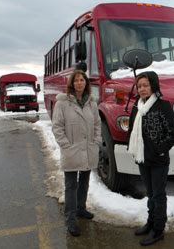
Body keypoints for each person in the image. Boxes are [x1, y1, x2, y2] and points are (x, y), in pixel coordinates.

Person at [127, 71, 174, 246]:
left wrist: (160, 150)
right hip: (143, 159)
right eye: (139, 86)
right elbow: (131, 129)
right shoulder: (137, 105)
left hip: (158, 160)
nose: (142, 89)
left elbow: (173, 134)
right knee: (149, 194)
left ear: (153, 86)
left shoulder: (163, 106)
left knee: (158, 195)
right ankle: (150, 223)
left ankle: (158, 230)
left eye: (145, 85)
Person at [52, 70, 101, 237]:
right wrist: (66, 145)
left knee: (85, 181)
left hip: (88, 149)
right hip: (71, 150)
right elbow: (57, 127)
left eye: (82, 80)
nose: (80, 83)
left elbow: (97, 124)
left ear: (86, 83)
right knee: (71, 185)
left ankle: (81, 208)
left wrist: (96, 140)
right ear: (71, 84)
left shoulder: (91, 103)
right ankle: (70, 218)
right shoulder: (63, 103)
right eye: (77, 80)